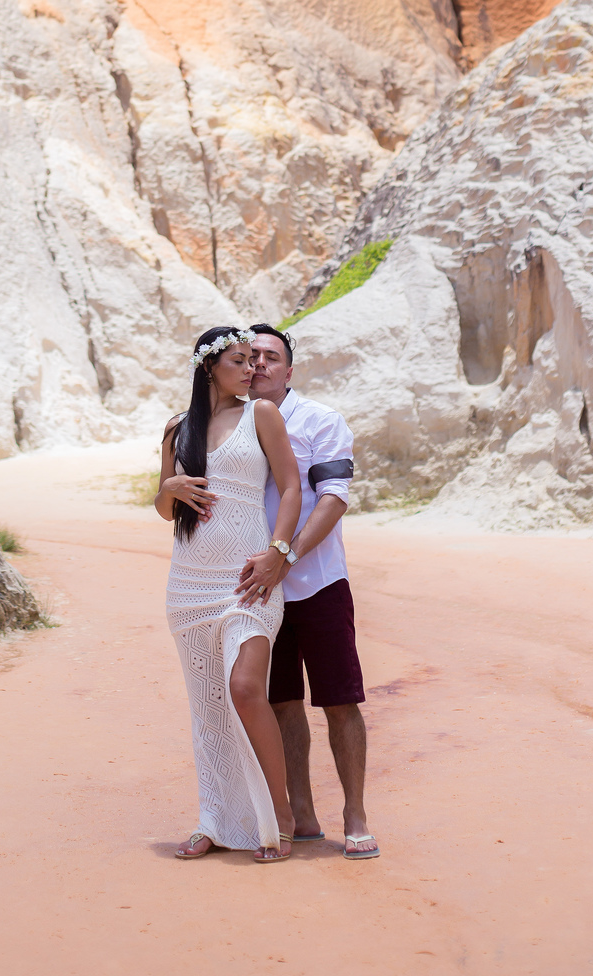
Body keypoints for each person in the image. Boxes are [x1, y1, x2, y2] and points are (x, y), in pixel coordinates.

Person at [156, 325, 303, 863]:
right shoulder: (178, 429)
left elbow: (291, 486)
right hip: (189, 583)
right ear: (209, 368)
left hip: (247, 580)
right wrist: (168, 488)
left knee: (244, 689)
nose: (251, 369)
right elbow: (166, 509)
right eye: (238, 361)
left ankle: (281, 815)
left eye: (253, 360)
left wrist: (278, 551)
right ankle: (214, 818)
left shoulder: (261, 415)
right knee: (208, 707)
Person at [236, 325, 380, 860]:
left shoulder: (320, 420)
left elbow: (333, 497)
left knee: (340, 701)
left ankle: (355, 815)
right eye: (250, 356)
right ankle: (301, 813)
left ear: (289, 370)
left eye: (271, 357)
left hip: (317, 582)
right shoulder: (233, 423)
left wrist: (287, 556)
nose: (259, 364)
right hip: (257, 591)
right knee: (281, 704)